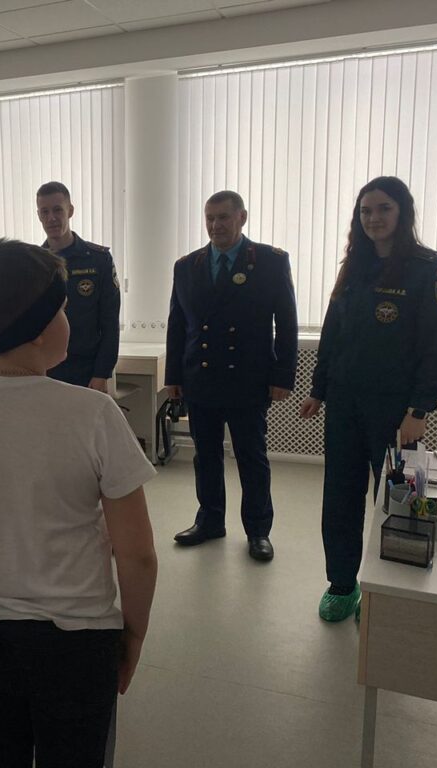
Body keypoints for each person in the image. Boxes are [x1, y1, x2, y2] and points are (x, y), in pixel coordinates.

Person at [0, 239, 158, 768]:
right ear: (43, 328)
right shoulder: (93, 415)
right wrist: (134, 631)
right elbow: (137, 554)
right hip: (76, 639)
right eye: (65, 309)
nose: (70, 319)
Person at [299, 176, 437, 622]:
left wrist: (420, 409)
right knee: (341, 496)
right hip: (345, 403)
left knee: (395, 500)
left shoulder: (431, 269)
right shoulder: (356, 265)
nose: (374, 218)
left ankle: (385, 591)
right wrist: (318, 389)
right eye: (366, 211)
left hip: (396, 410)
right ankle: (342, 583)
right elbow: (333, 333)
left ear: (402, 212)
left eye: (384, 208)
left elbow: (436, 345)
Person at [165, 190, 298, 561]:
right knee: (205, 455)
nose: (215, 225)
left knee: (251, 456)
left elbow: (287, 323)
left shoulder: (270, 261)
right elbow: (177, 324)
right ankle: (210, 520)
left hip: (248, 378)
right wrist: (174, 375)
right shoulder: (187, 265)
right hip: (200, 377)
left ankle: (258, 530)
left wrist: (283, 376)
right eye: (209, 218)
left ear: (242, 217)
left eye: (223, 217)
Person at [36, 181, 121, 391]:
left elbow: (110, 322)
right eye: (45, 212)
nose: (51, 218)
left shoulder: (98, 259)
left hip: (87, 369)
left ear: (70, 211)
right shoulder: (34, 263)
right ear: (39, 215)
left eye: (57, 210)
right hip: (46, 369)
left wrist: (102, 373)